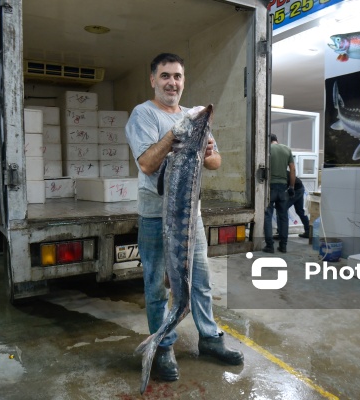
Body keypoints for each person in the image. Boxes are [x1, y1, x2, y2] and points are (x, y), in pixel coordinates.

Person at [125, 53, 244, 382]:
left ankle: (210, 338)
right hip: (155, 216)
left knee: (201, 282)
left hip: (192, 216)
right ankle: (163, 345)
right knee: (157, 286)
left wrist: (207, 152)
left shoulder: (193, 117)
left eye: (177, 76)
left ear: (183, 80)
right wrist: (173, 136)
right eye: (165, 76)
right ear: (153, 79)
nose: (172, 82)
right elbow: (147, 164)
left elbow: (216, 161)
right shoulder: (143, 114)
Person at [263, 134, 296, 253]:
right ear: (277, 140)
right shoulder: (287, 149)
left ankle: (269, 246)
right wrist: (291, 186)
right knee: (283, 217)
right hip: (283, 187)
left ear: (268, 141)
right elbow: (292, 169)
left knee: (267, 215)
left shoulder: (266, 149)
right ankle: (283, 246)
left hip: (270, 187)